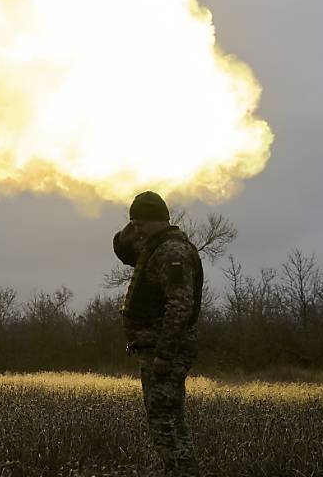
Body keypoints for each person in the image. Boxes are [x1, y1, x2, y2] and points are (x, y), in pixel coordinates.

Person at [113, 191, 203, 476]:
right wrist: (123, 236)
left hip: (166, 352)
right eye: (133, 225)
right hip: (155, 350)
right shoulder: (156, 247)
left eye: (140, 224)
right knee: (164, 422)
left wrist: (164, 355)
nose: (136, 230)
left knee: (167, 424)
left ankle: (183, 472)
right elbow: (128, 255)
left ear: (155, 221)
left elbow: (180, 306)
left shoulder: (172, 252)